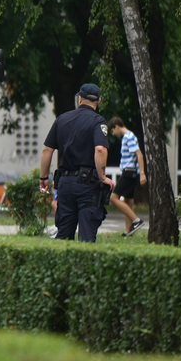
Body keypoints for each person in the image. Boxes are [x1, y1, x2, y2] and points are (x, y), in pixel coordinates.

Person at [38, 83, 112, 242]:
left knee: (63, 235)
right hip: (88, 186)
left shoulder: (62, 119)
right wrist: (103, 176)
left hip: (65, 184)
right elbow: (100, 149)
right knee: (86, 237)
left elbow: (47, 150)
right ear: (98, 101)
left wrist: (43, 178)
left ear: (80, 99)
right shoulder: (98, 121)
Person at [108, 116, 146, 235]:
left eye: (113, 131)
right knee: (129, 201)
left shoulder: (129, 137)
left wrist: (143, 173)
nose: (113, 134)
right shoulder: (128, 137)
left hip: (129, 172)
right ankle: (128, 230)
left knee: (113, 198)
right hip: (130, 173)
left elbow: (139, 155)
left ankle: (136, 220)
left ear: (117, 126)